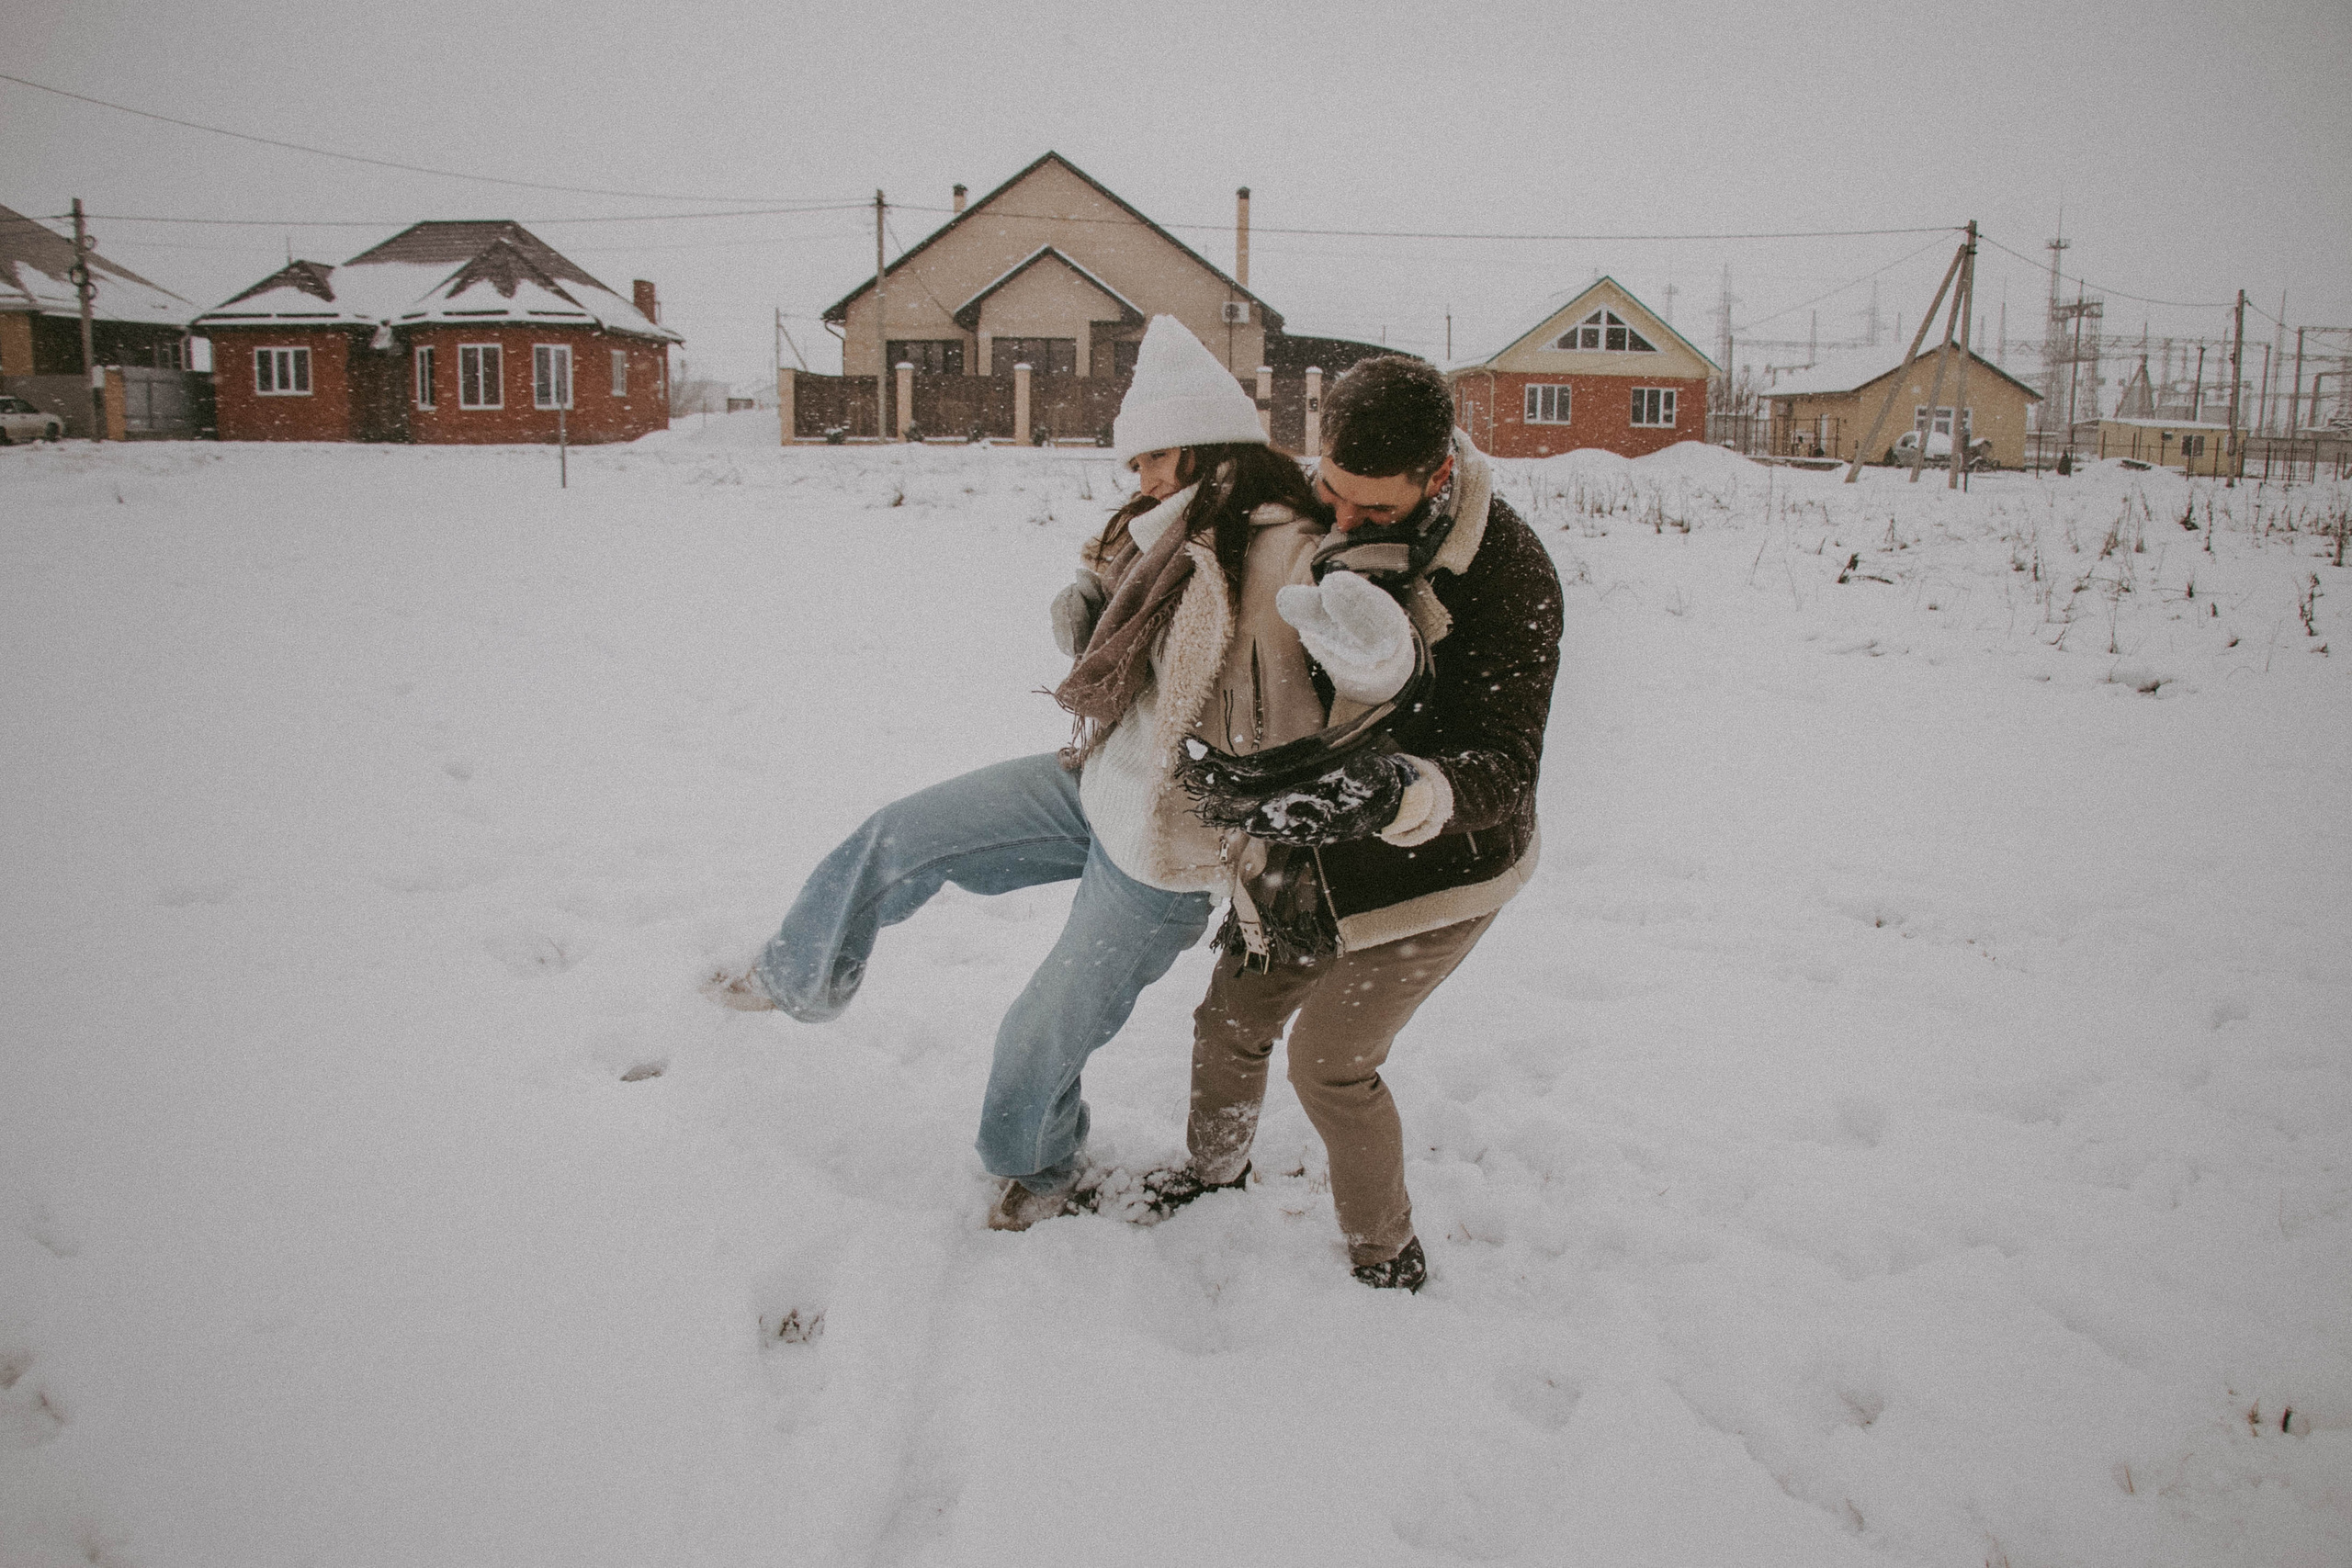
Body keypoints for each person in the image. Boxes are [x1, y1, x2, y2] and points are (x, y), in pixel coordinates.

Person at [707, 316, 1419, 1233]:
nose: (1141, 478)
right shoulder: (1158, 532)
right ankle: (793, 972)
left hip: (1165, 847)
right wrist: (1086, 609)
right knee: (901, 833)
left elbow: (1365, 667)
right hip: (1095, 782)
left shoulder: (1286, 545)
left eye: (1154, 457)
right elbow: (1126, 661)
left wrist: (1362, 651)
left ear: (1203, 444)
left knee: (1037, 1037)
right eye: (1136, 463)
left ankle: (1036, 1169)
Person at [1142, 354, 1565, 1292]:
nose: (1339, 520)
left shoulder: (1505, 572)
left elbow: (1506, 766)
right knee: (1226, 1021)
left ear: (1439, 474)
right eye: (1330, 491)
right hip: (1305, 840)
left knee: (1330, 1063)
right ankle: (1211, 1174)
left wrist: (1397, 791)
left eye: (1374, 513)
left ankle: (1386, 1251)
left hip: (1441, 862)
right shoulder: (1305, 507)